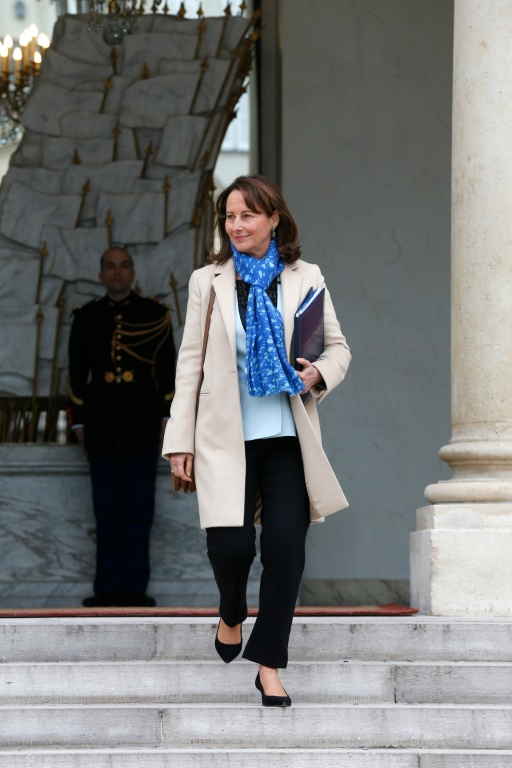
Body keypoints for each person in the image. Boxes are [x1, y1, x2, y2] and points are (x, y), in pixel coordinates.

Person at [162, 175, 351, 706]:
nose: (237, 224)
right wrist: (180, 440)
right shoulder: (208, 281)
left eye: (248, 215)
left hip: (287, 437)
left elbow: (337, 348)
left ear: (274, 219)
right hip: (224, 438)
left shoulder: (305, 276)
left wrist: (317, 372)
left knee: (286, 551)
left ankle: (268, 664)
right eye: (229, 216)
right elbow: (190, 365)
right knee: (231, 548)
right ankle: (230, 611)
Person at [68, 246, 176, 608]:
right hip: (100, 426)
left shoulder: (154, 314)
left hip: (142, 425)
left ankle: (134, 590)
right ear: (101, 275)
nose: (117, 272)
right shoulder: (86, 317)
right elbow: (75, 373)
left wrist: (166, 419)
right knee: (106, 511)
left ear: (132, 273)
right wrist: (78, 420)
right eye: (111, 266)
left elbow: (169, 374)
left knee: (139, 511)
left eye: (124, 266)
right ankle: (107, 589)